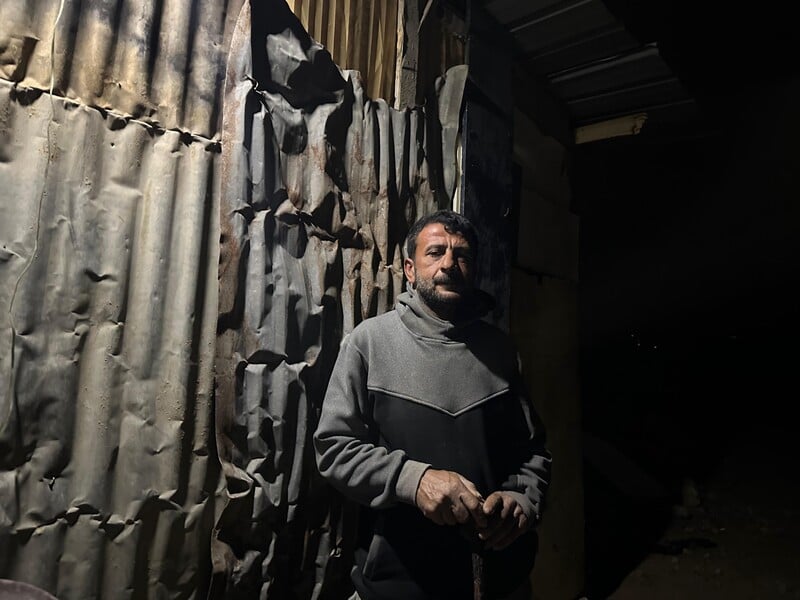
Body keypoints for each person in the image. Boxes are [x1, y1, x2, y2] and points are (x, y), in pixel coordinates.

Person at [314, 210, 551, 600]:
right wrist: (415, 480)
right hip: (398, 581)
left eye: (462, 256)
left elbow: (533, 453)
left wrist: (521, 500)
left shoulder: (501, 351)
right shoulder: (371, 343)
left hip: (499, 582)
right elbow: (334, 448)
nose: (449, 265)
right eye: (435, 253)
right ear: (410, 268)